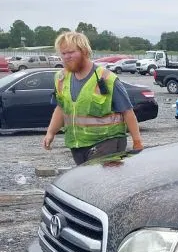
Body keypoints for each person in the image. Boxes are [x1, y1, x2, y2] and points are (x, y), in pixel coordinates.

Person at [42, 31, 143, 164]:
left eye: (71, 52)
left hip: (107, 143)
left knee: (99, 183)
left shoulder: (107, 78)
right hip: (78, 145)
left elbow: (127, 112)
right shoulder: (61, 78)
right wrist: (50, 133)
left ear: (84, 51)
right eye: (63, 53)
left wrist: (137, 143)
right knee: (85, 182)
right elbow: (61, 108)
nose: (67, 57)